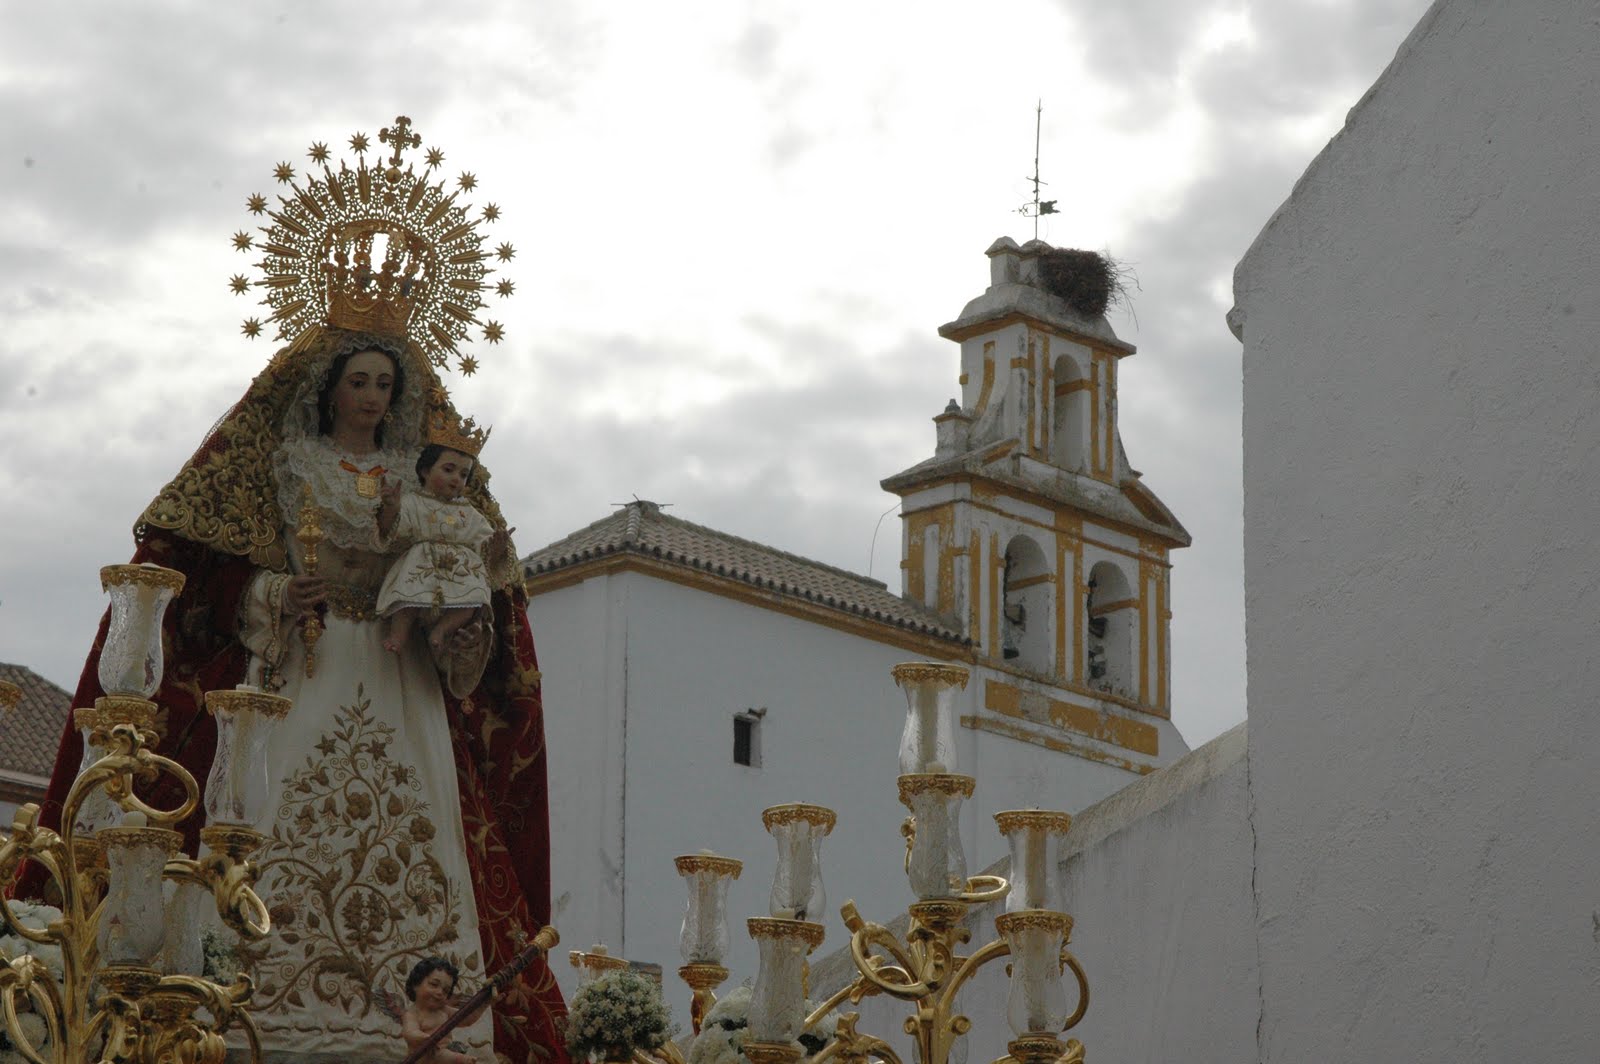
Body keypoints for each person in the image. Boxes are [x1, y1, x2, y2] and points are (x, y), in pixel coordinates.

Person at [23, 327, 568, 1064]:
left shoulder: (427, 477)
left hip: (397, 669)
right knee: (265, 808)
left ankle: (422, 1018)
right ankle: (250, 1005)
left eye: (385, 385)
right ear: (329, 389)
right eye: (360, 382)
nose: (372, 397)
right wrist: (278, 591)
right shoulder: (287, 462)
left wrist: (454, 610)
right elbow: (211, 585)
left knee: (418, 808)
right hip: (304, 657)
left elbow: (466, 570)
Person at [377, 437, 506, 657]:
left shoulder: (468, 511)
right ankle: (398, 635)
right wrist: (390, 508)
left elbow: (482, 539)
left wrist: (495, 545)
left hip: (459, 571)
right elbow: (394, 533)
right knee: (407, 600)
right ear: (426, 471)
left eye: (463, 475)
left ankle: (442, 630)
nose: (456, 479)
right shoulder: (413, 501)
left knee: (473, 601)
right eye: (449, 470)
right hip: (422, 565)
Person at [401, 957, 490, 1064]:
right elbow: (410, 1033)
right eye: (434, 984)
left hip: (446, 1054)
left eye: (445, 991)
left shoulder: (444, 1011)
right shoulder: (412, 1014)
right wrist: (426, 1038)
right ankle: (460, 1060)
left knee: (448, 1052)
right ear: (416, 984)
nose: (439, 992)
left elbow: (467, 1019)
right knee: (439, 1054)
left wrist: (485, 1004)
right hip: (425, 1059)